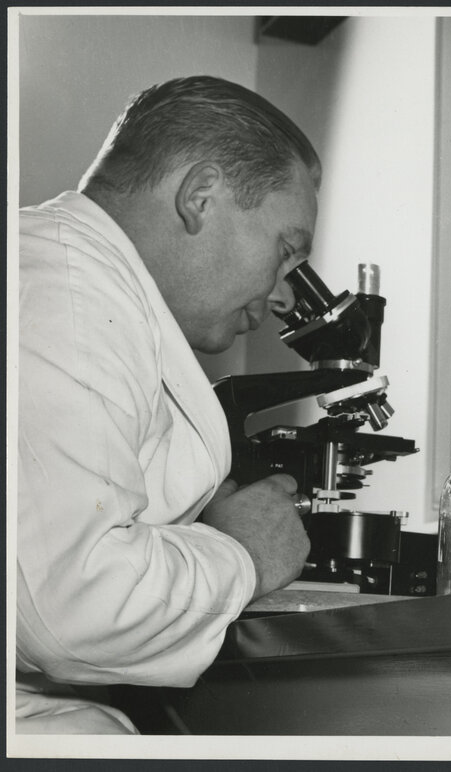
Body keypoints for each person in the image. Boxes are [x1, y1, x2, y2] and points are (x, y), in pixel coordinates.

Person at [17, 75, 319, 733]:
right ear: (200, 196)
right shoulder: (63, 299)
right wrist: (239, 551)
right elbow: (74, 611)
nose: (285, 300)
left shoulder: (80, 286)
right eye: (285, 250)